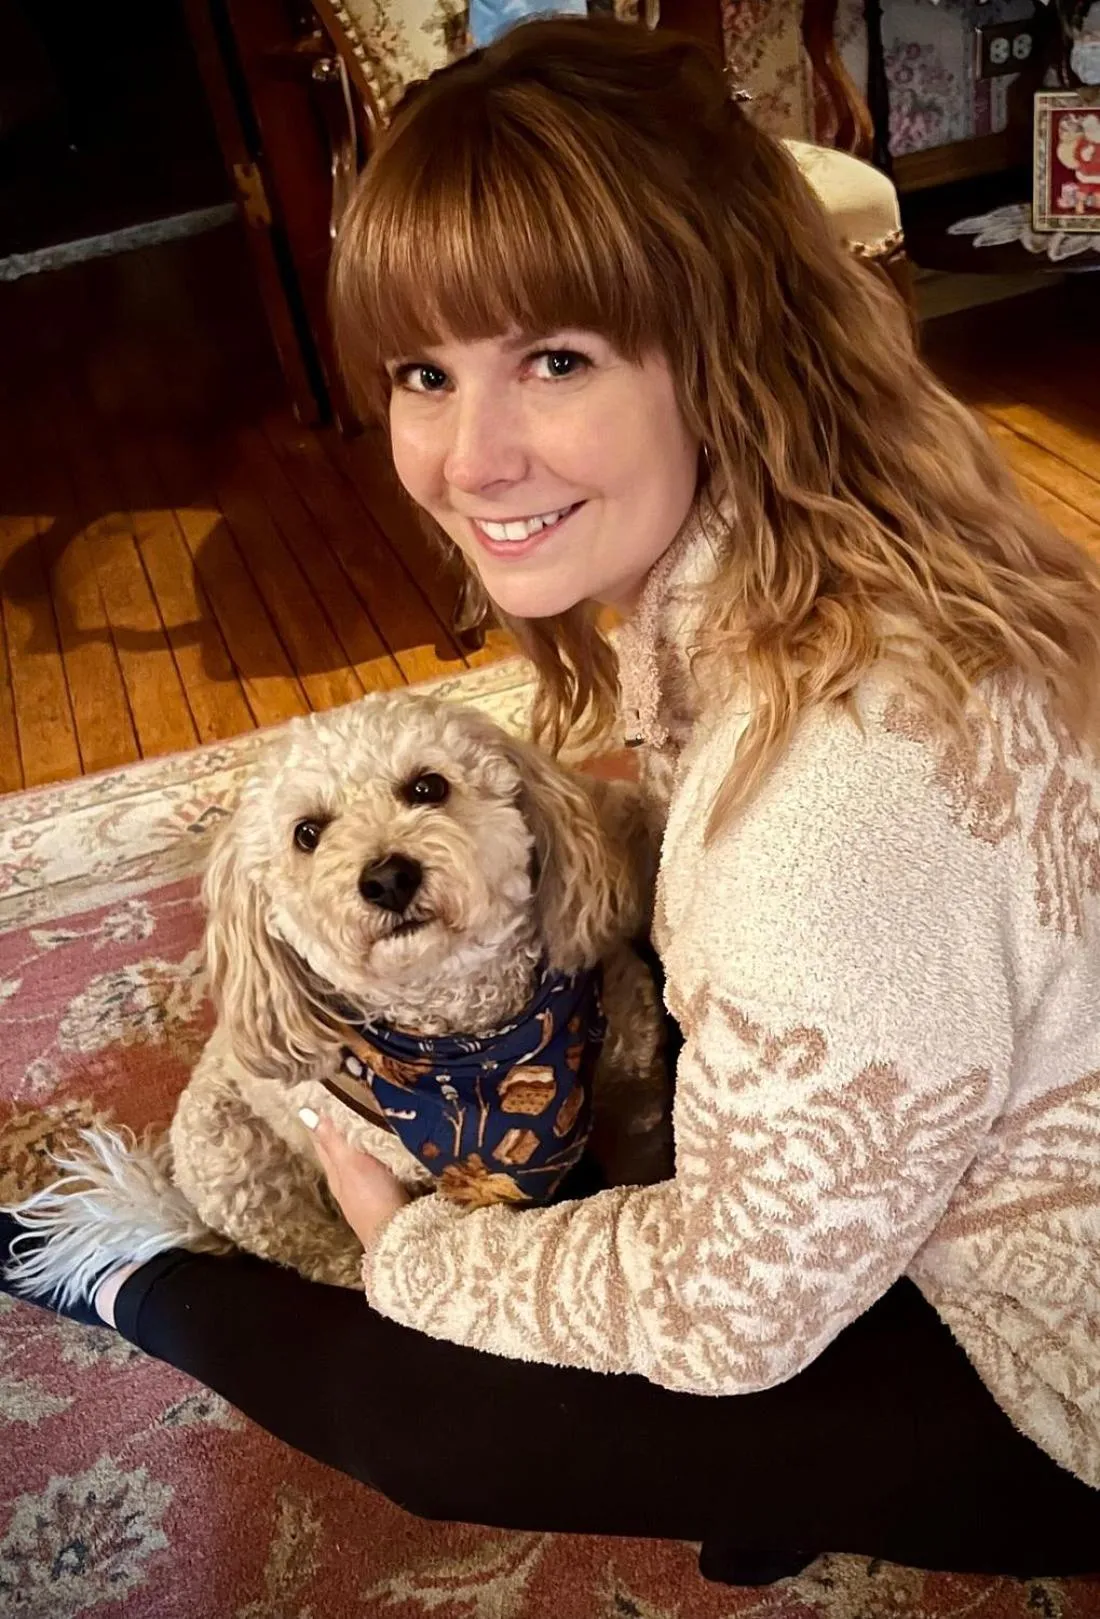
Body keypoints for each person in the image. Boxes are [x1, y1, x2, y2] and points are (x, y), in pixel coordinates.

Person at [3, 15, 1100, 1586]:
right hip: (984, 1112)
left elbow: (736, 1308)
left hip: (1065, 1367)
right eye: (424, 371)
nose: (466, 454)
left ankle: (115, 1263)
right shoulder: (874, 538)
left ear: (728, 346)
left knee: (435, 1405)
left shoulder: (826, 800)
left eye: (558, 359)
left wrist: (416, 1244)